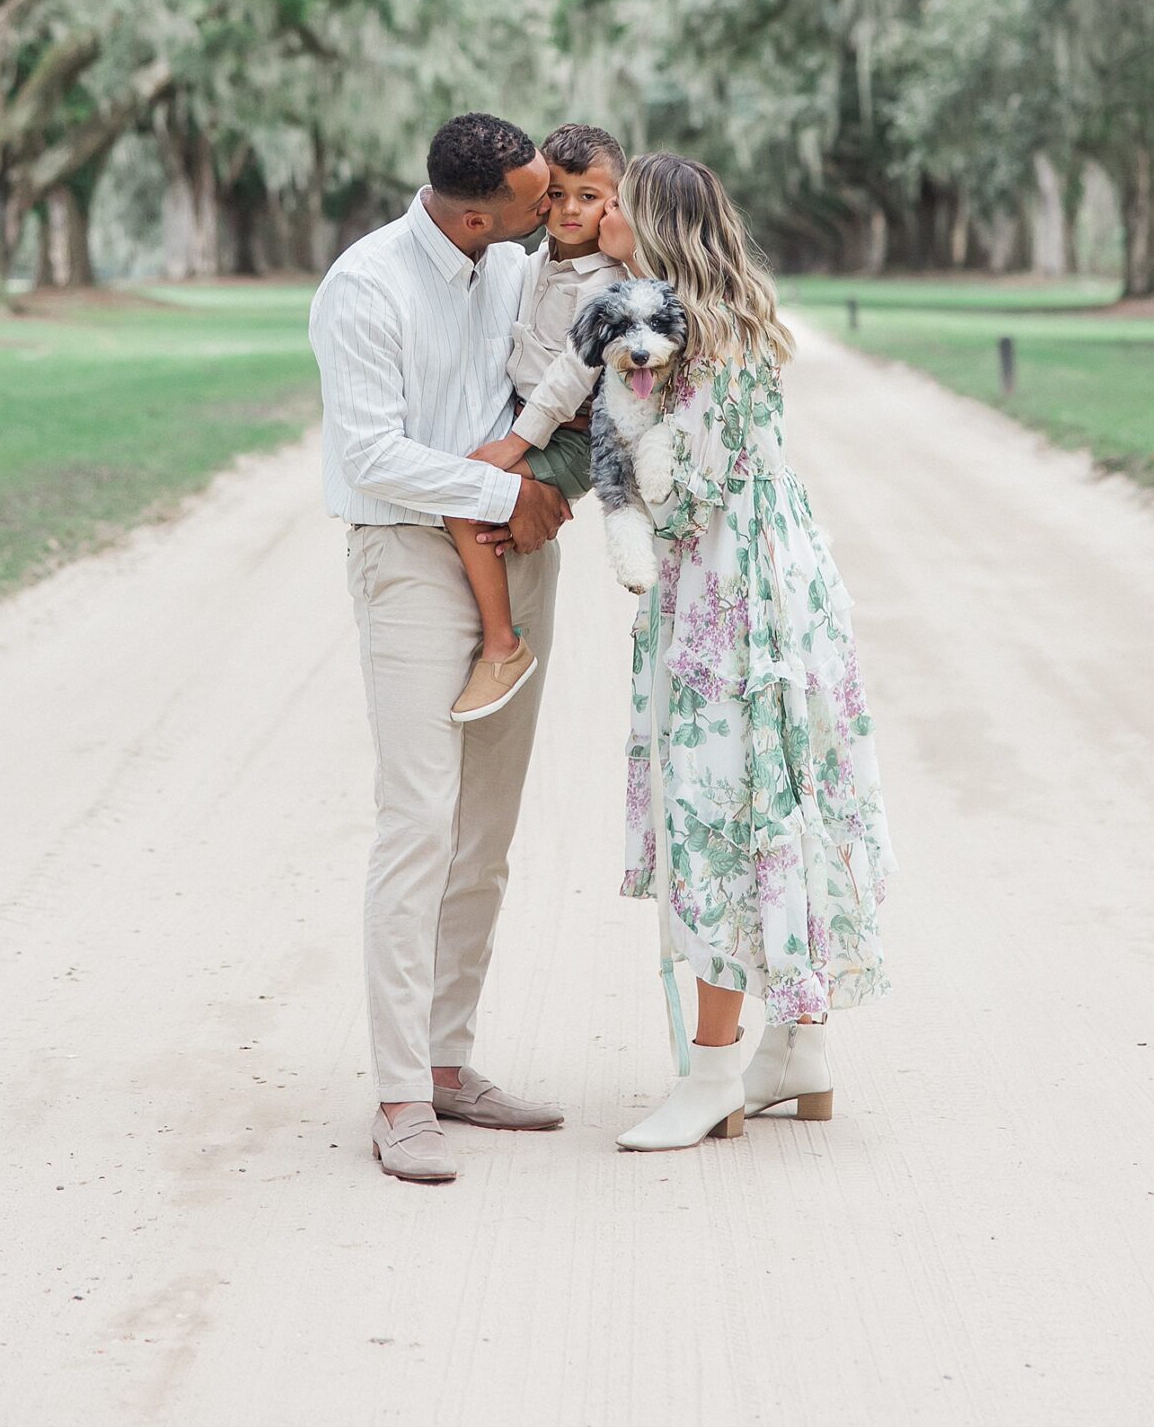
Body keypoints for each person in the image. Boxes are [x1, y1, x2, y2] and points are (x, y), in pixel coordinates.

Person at [599, 152, 895, 1153]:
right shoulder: (738, 312)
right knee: (785, 793)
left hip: (731, 598)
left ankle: (714, 1072)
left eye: (616, 210)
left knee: (721, 805)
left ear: (652, 226)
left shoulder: (691, 342)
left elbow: (687, 490)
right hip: (788, 578)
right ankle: (797, 1046)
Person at [307, 112, 572, 1186]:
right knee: (418, 820)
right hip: (410, 560)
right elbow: (370, 451)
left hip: (517, 555)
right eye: (536, 199)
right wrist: (503, 487)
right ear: (476, 211)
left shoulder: (511, 268)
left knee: (487, 828)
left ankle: (452, 1061)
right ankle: (399, 1091)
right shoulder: (365, 286)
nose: (551, 212)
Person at [445, 122, 630, 723]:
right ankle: (491, 593)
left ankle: (503, 646)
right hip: (532, 421)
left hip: (570, 438)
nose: (570, 209)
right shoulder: (530, 264)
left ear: (616, 204)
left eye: (590, 196)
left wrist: (516, 444)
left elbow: (573, 374)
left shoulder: (606, 282)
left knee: (465, 489)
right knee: (487, 495)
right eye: (558, 193)